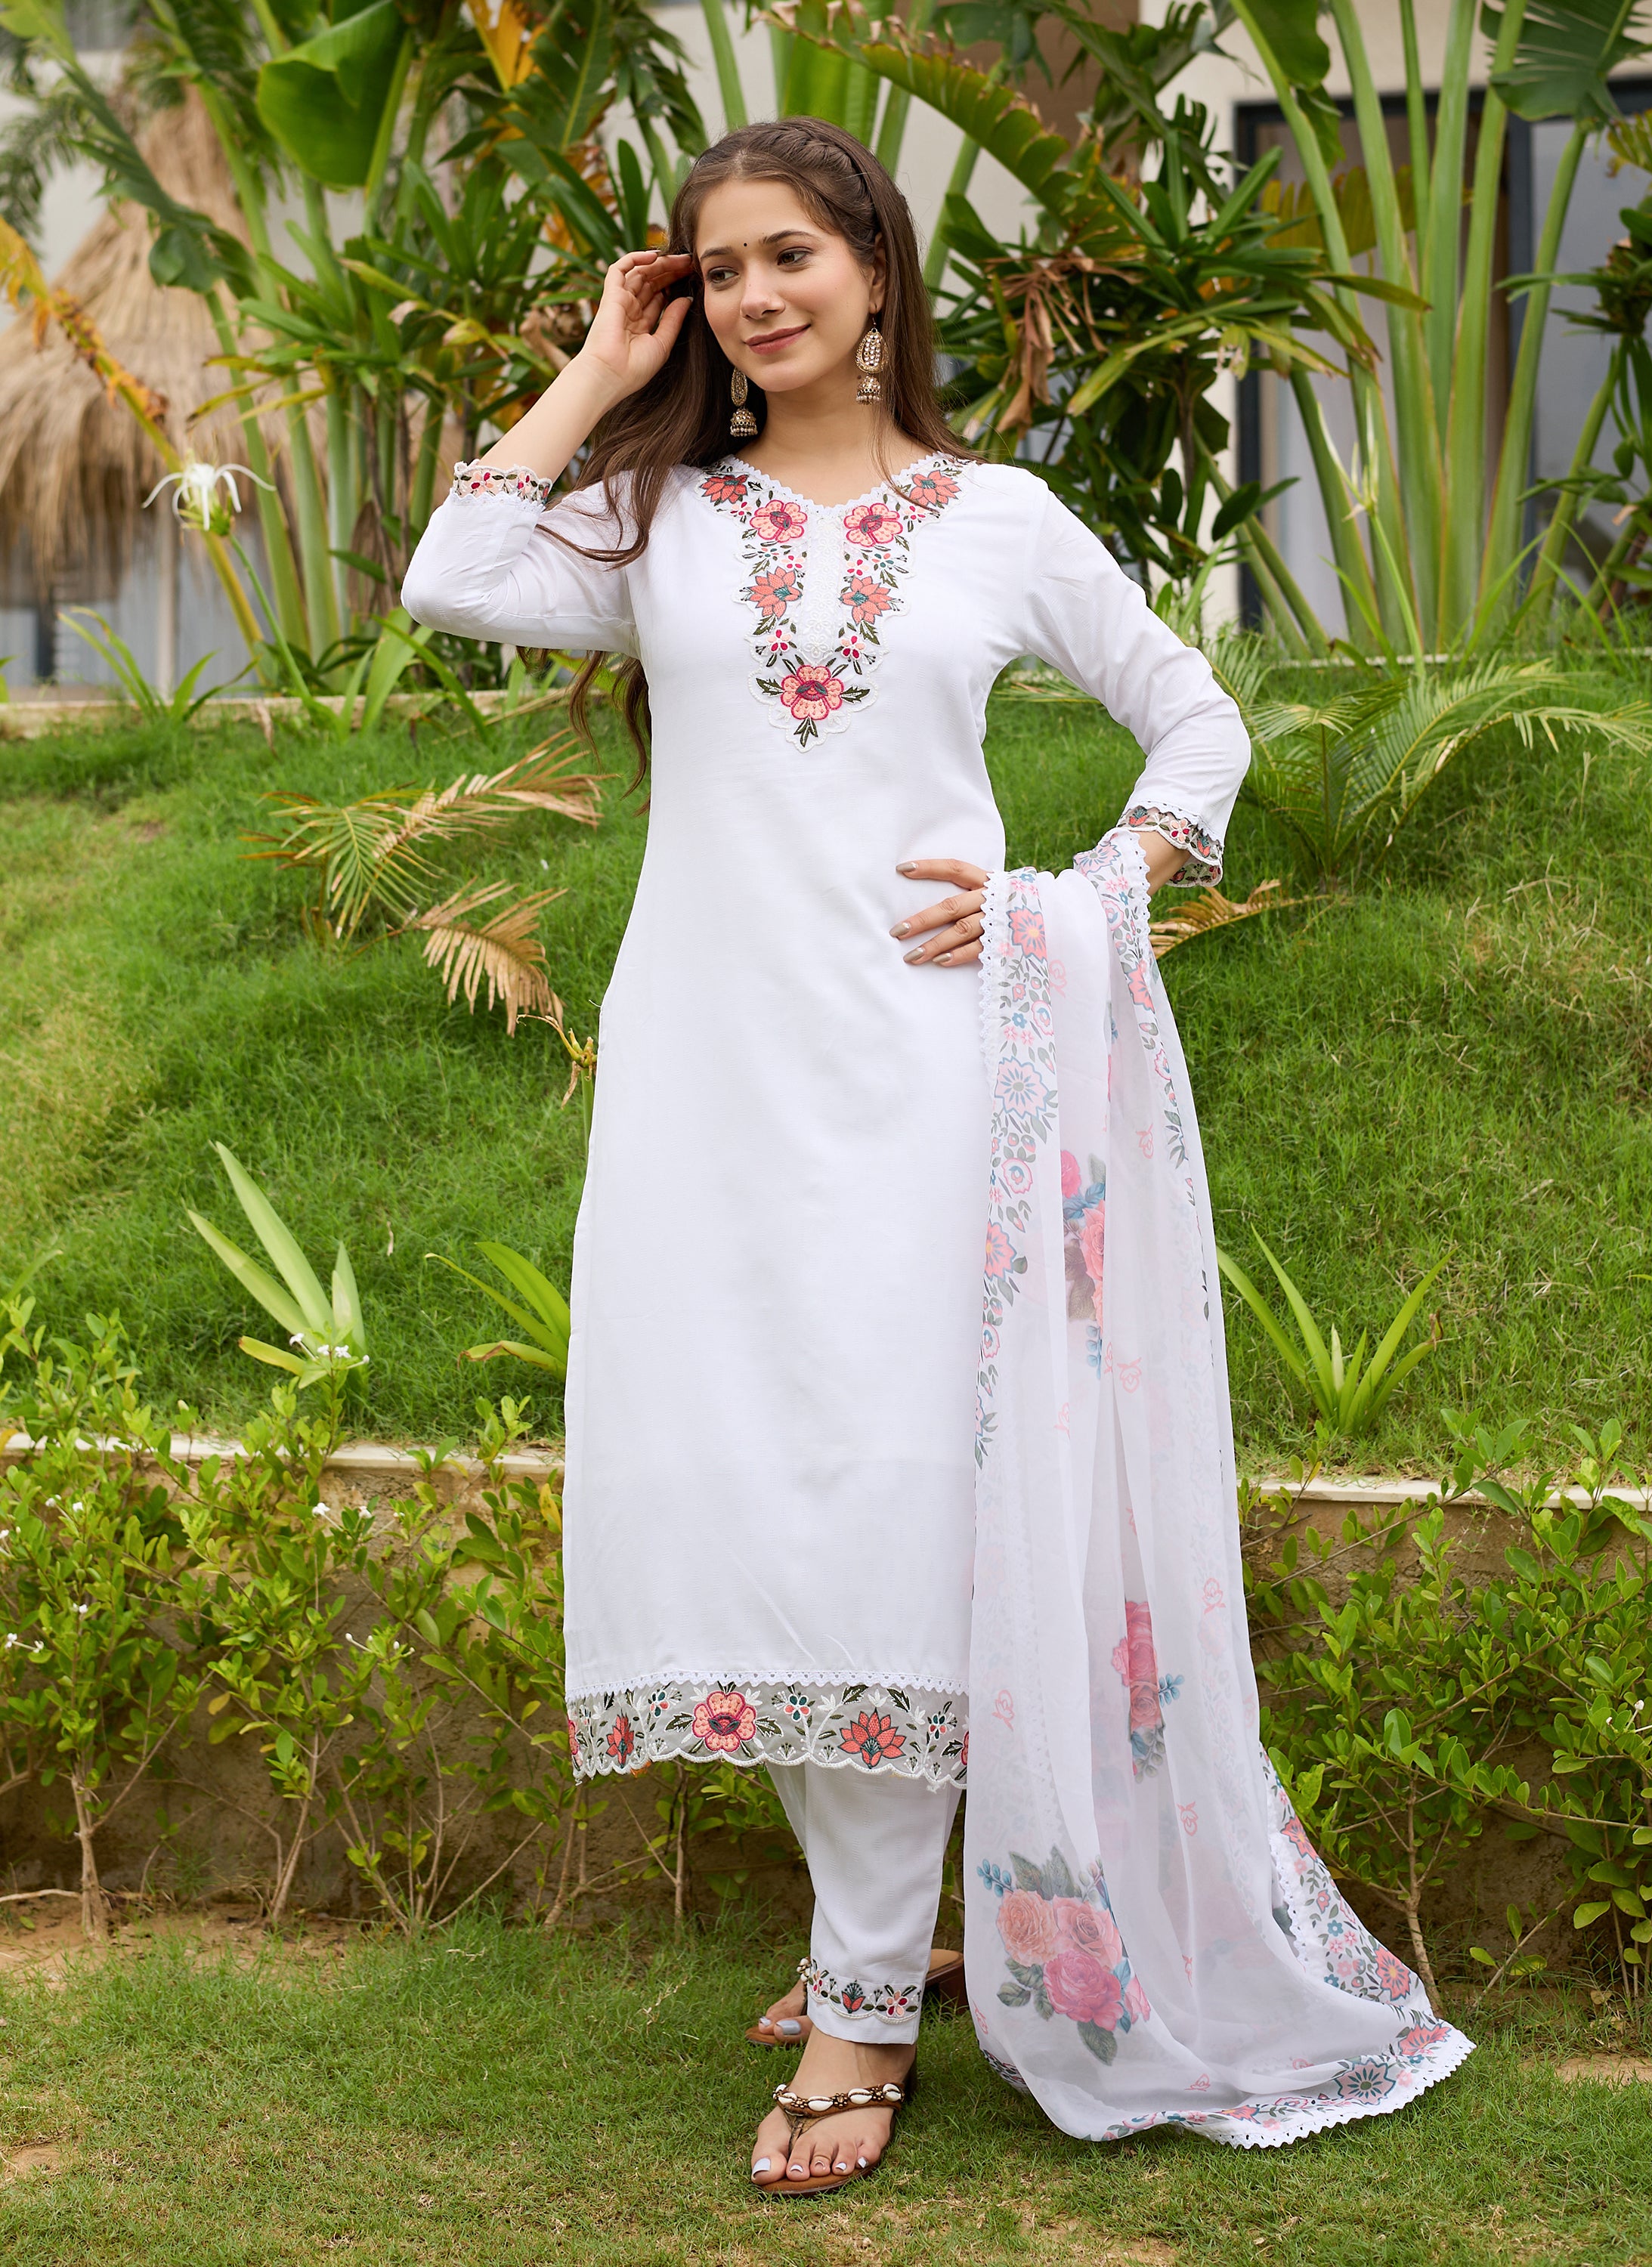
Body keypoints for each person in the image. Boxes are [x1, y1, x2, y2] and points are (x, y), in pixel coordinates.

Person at [403, 117, 1470, 2194]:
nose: (756, 299)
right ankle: (861, 1940)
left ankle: (867, 2009)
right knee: (760, 1493)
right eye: (715, 274)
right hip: (712, 1078)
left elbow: (1199, 723)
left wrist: (1085, 889)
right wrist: (602, 375)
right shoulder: (666, 523)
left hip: (927, 1072)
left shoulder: (996, 521)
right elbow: (457, 571)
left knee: (894, 1492)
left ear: (877, 271)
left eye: (789, 255)